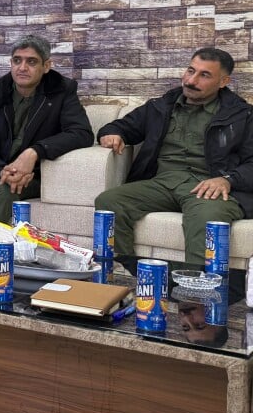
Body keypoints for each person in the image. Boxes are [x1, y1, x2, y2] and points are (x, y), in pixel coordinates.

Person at [94, 48, 252, 264]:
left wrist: (227, 180)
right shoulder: (161, 106)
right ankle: (128, 273)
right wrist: (111, 133)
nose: (191, 80)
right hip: (162, 183)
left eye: (205, 75)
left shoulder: (243, 115)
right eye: (191, 71)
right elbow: (120, 126)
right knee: (109, 201)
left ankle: (197, 284)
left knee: (206, 219)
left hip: (208, 188)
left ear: (223, 81)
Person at [0, 35, 93, 225]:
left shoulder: (62, 91)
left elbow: (81, 133)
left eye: (31, 62)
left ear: (46, 66)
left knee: (8, 190)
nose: (22, 67)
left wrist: (35, 152)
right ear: (11, 63)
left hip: (32, 174)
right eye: (17, 60)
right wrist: (0, 170)